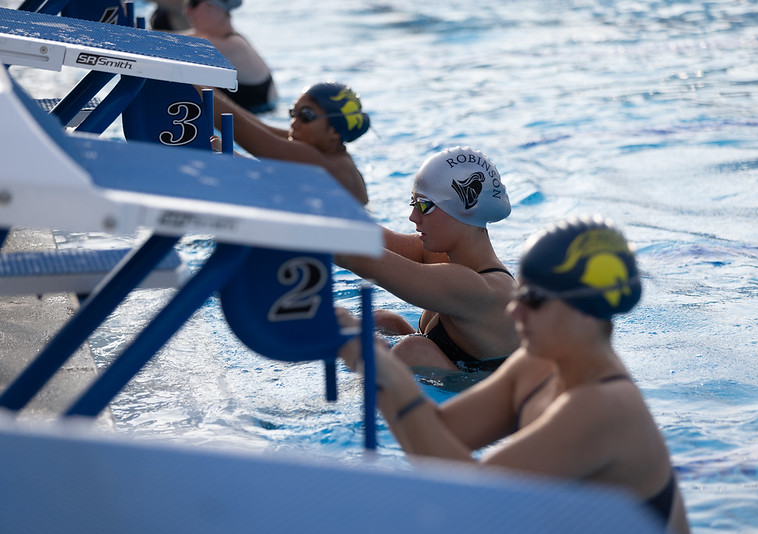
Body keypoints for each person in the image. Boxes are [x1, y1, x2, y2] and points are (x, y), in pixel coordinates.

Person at [338, 216, 691, 533]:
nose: (514, 309)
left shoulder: (605, 407)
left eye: (534, 299)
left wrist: (388, 375)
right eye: (520, 292)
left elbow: (470, 500)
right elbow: (439, 437)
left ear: (585, 312)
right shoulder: (536, 364)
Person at [336, 146, 517, 372]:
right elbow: (368, 237)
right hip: (455, 371)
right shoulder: (443, 258)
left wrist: (298, 233)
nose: (413, 217)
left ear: (464, 207)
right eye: (413, 204)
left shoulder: (482, 289)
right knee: (382, 321)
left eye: (423, 205)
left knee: (414, 349)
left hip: (482, 398)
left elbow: (357, 257)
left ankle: (347, 399)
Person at [212, 81, 371, 205]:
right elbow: (262, 129)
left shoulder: (326, 165)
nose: (294, 123)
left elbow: (244, 130)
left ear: (335, 131)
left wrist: (194, 86)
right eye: (293, 113)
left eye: (306, 116)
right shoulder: (328, 152)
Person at [181, 0, 278, 114]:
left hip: (263, 115)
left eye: (193, 4)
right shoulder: (216, 38)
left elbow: (169, 44)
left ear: (216, 9)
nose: (186, 11)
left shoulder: (234, 45)